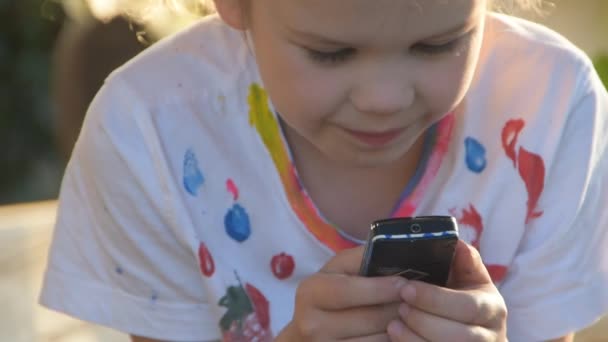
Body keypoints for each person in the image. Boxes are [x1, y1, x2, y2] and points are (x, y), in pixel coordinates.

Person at [39, 0, 608, 341]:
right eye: (331, 53)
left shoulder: (552, 107)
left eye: (439, 44)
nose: (384, 97)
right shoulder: (149, 133)